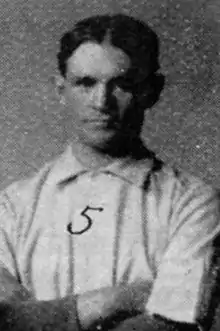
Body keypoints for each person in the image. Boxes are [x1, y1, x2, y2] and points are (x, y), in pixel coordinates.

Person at [0, 13, 219, 331]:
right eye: (86, 83)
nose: (102, 101)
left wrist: (44, 318)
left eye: (123, 85)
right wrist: (111, 301)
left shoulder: (193, 202)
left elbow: (171, 326)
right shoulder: (12, 206)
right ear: (61, 89)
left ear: (152, 91)